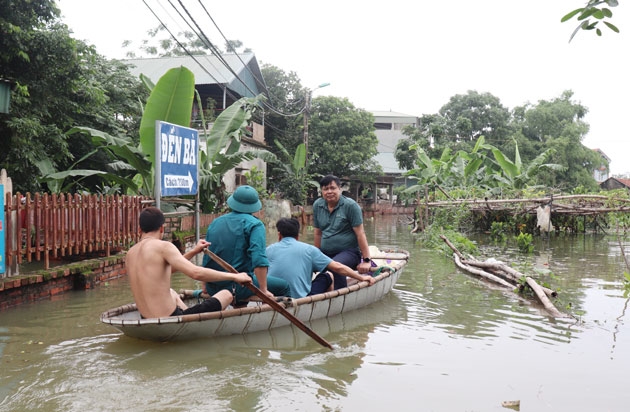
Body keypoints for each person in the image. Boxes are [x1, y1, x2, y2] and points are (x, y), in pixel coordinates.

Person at [127, 206, 251, 319]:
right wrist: (235, 276)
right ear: (161, 228)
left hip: (146, 319)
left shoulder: (130, 254)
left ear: (139, 229)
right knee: (227, 294)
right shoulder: (163, 247)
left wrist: (193, 251)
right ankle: (193, 319)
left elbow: (166, 270)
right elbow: (196, 273)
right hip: (170, 318)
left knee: (171, 292)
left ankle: (190, 316)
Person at [202, 185, 290, 305]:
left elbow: (207, 255)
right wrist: (264, 290)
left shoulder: (215, 222)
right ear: (254, 206)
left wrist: (205, 286)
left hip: (212, 286)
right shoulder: (255, 225)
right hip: (238, 287)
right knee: (283, 286)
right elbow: (259, 259)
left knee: (246, 277)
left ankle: (240, 308)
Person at [267, 218, 375, 298]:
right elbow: (337, 267)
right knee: (328, 276)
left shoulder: (268, 250)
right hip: (300, 298)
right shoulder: (309, 250)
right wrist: (361, 278)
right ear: (297, 236)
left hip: (272, 297)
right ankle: (330, 305)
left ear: (279, 235)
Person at [313, 175, 373, 289]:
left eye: (333, 188)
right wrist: (316, 255)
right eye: (326, 189)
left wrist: (366, 260)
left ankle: (339, 293)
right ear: (321, 191)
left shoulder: (350, 206)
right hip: (326, 252)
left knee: (335, 265)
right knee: (305, 262)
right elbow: (318, 233)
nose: (329, 192)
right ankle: (307, 292)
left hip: (349, 252)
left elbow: (360, 234)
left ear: (339, 189)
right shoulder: (318, 205)